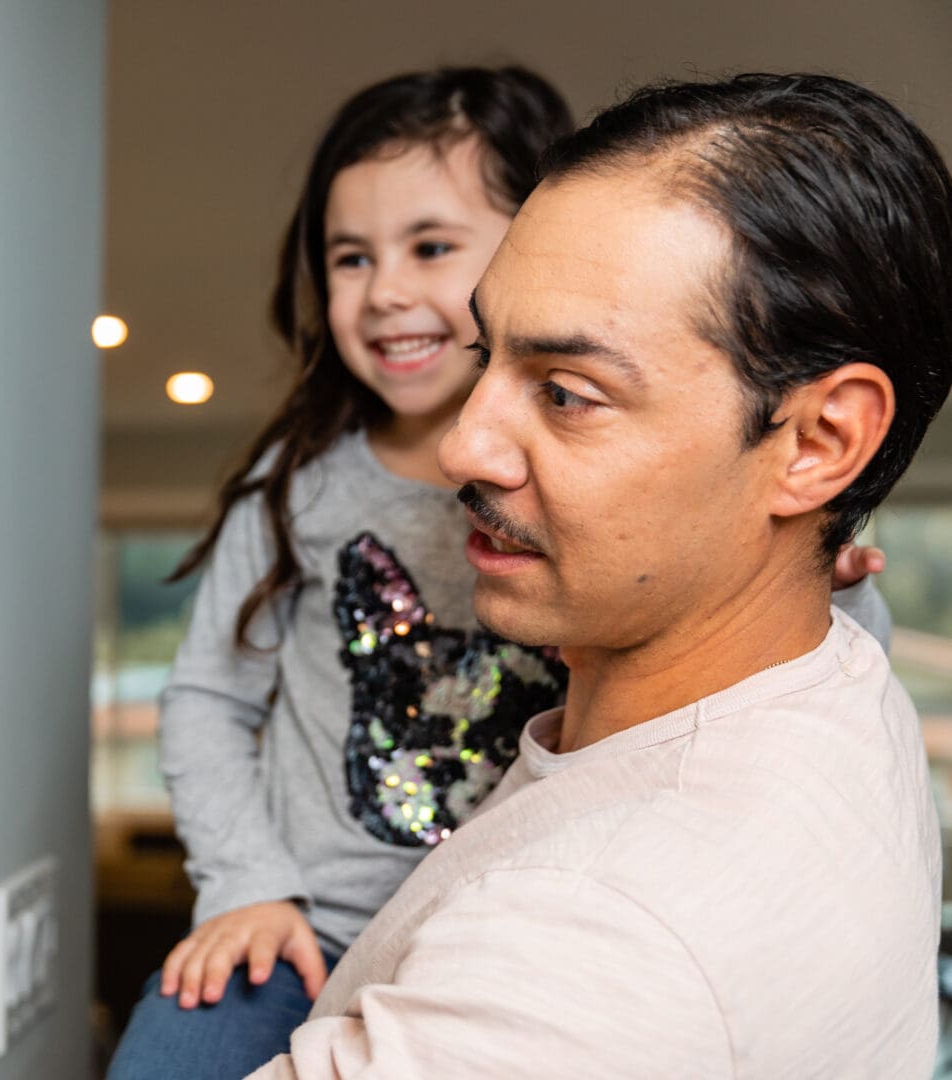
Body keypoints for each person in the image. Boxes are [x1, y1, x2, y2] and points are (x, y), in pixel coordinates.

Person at [0, 70, 945, 1077]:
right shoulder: (818, 682)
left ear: (820, 445)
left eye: (568, 391)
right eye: (487, 346)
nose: (465, 449)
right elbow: (214, 698)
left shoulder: (620, 947)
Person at [106, 67, 889, 1080]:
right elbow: (209, 696)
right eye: (350, 257)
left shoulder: (621, 506)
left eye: (431, 247)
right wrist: (247, 886)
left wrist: (832, 575)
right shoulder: (297, 482)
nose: (386, 289)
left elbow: (773, 658)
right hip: (304, 936)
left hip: (506, 923)